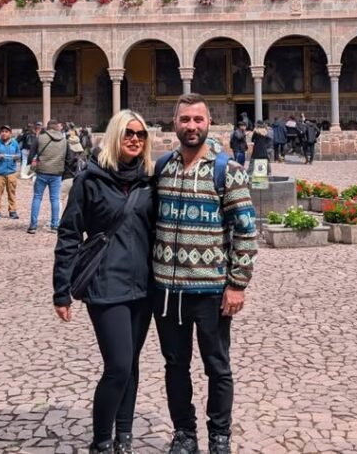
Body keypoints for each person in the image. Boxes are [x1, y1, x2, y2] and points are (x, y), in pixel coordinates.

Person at [153, 93, 257, 454]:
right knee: (175, 366)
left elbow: (245, 229)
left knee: (217, 365)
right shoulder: (162, 167)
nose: (191, 126)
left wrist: (237, 284)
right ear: (174, 123)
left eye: (198, 119)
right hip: (167, 289)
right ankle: (184, 433)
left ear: (209, 122)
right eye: (185, 120)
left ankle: (219, 434)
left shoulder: (226, 170)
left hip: (212, 290)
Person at [53, 110, 156, 454]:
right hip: (105, 283)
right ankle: (101, 441)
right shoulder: (90, 180)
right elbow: (69, 234)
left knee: (132, 365)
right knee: (118, 365)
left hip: (143, 285)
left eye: (141, 135)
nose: (135, 139)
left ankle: (123, 437)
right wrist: (61, 290)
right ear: (114, 135)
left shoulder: (148, 179)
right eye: (128, 132)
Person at [28, 119, 77, 234]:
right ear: (57, 128)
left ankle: (33, 226)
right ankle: (55, 225)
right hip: (57, 173)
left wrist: (34, 162)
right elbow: (70, 159)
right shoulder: (64, 140)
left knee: (37, 197)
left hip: (42, 172)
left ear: (47, 127)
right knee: (55, 199)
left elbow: (31, 155)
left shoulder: (40, 138)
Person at [0, 124, 21, 220]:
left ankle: (12, 211)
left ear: (10, 133)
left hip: (11, 172)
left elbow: (19, 153)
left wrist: (16, 157)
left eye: (6, 132)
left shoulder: (14, 143)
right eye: (2, 132)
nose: (4, 133)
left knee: (12, 193)